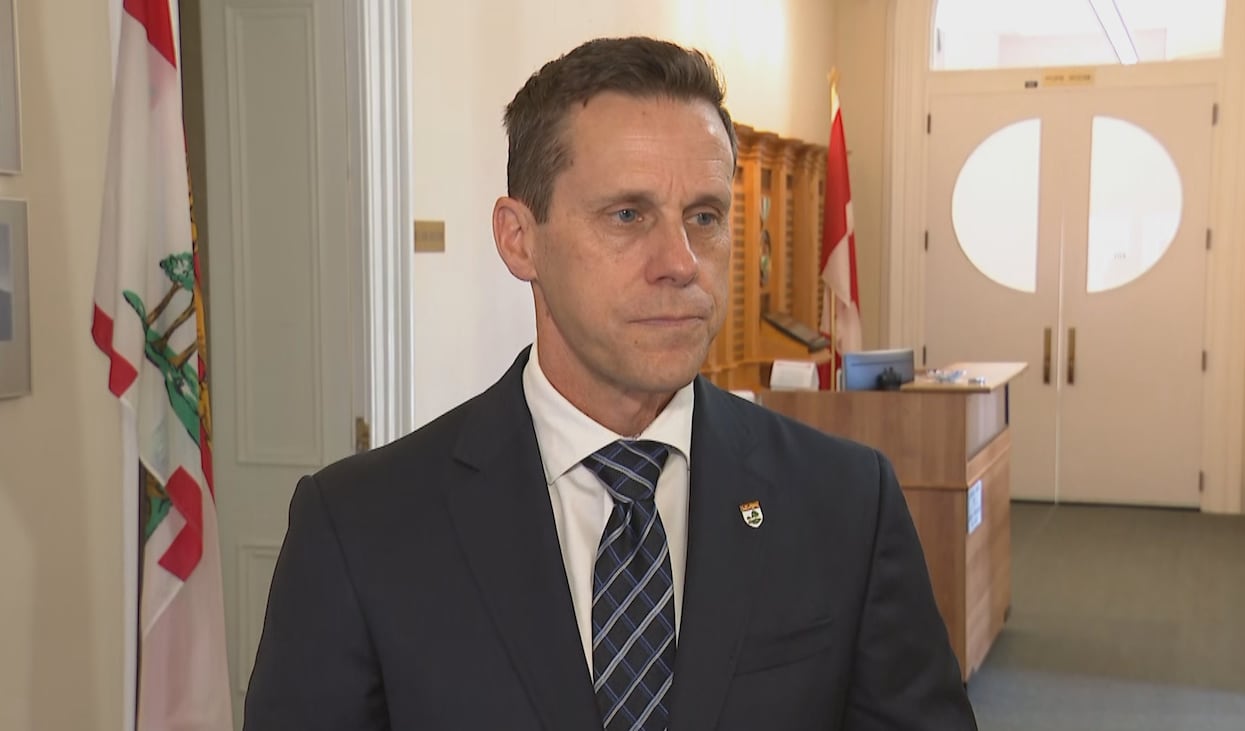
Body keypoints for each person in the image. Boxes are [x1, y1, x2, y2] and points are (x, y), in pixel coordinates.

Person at [243, 36, 977, 731]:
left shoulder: (847, 502)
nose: (681, 261)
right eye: (628, 215)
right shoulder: (359, 527)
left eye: (705, 216)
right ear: (519, 238)